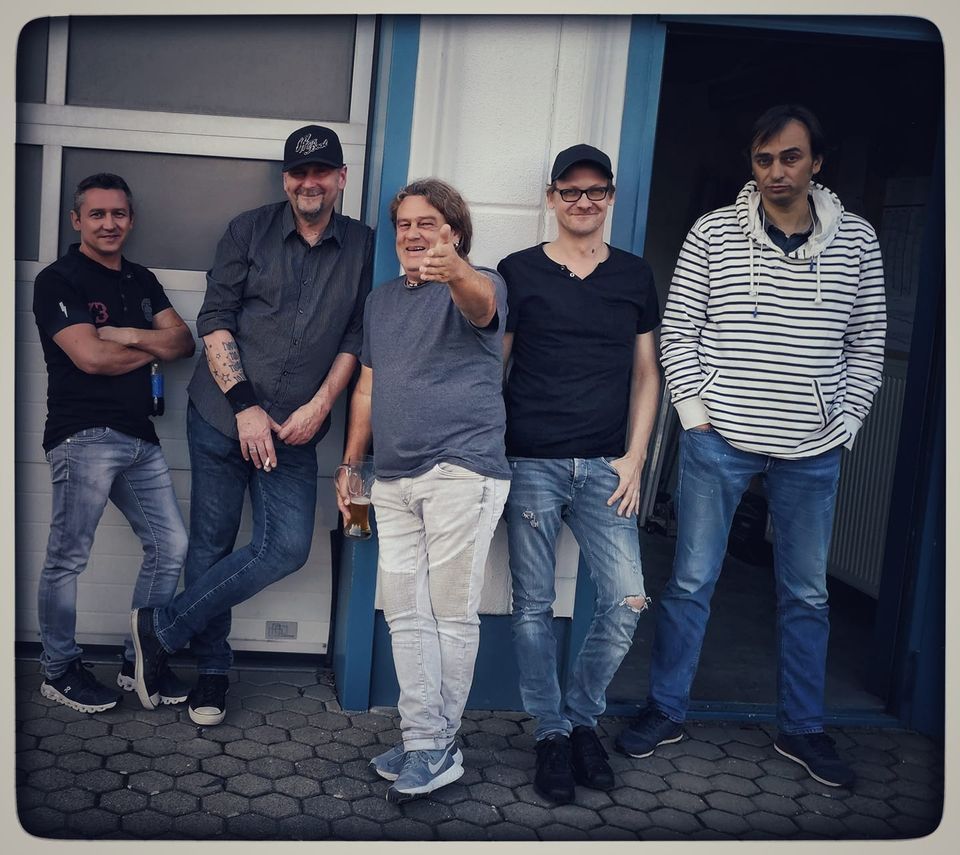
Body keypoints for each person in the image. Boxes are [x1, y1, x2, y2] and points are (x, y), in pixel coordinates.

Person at [616, 104, 886, 789]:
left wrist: (845, 422)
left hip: (814, 447)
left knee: (806, 593)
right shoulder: (713, 233)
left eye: (790, 157)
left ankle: (803, 727)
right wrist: (697, 415)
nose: (776, 171)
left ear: (816, 162)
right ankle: (665, 708)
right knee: (690, 582)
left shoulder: (857, 241)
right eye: (764, 159)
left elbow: (867, 342)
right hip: (720, 440)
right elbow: (679, 331)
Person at [131, 126, 373, 724]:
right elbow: (215, 319)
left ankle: (161, 628)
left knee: (286, 547)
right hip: (221, 418)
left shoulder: (365, 246)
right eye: (299, 173)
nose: (310, 183)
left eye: (322, 172)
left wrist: (320, 406)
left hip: (296, 431)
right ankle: (213, 673)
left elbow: (356, 336)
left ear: (341, 178)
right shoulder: (248, 231)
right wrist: (245, 407)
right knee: (211, 544)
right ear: (286, 179)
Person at [336, 178, 510, 802]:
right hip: (392, 477)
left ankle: (438, 744)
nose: (412, 234)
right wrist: (352, 464)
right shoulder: (381, 302)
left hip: (462, 471)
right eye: (404, 224)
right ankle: (422, 739)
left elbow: (482, 307)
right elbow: (366, 387)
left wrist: (455, 268)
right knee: (404, 612)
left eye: (427, 223)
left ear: (453, 231)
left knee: (450, 614)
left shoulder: (480, 282)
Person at [498, 145, 661, 804]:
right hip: (531, 460)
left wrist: (636, 458)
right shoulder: (518, 271)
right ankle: (550, 734)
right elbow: (495, 367)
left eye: (596, 191)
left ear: (611, 196)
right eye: (571, 191)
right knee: (532, 608)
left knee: (625, 600)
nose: (584, 201)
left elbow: (647, 373)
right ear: (552, 197)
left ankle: (582, 717)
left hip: (606, 465)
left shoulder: (634, 275)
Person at [32, 172, 196, 713]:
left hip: (139, 438)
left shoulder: (141, 279)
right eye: (97, 214)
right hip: (84, 435)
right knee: (68, 558)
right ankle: (58, 670)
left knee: (170, 545)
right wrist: (154, 347)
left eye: (118, 213)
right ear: (76, 220)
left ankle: (139, 661)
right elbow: (91, 358)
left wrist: (127, 336)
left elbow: (184, 342)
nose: (109, 223)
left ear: (131, 219)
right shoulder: (58, 281)